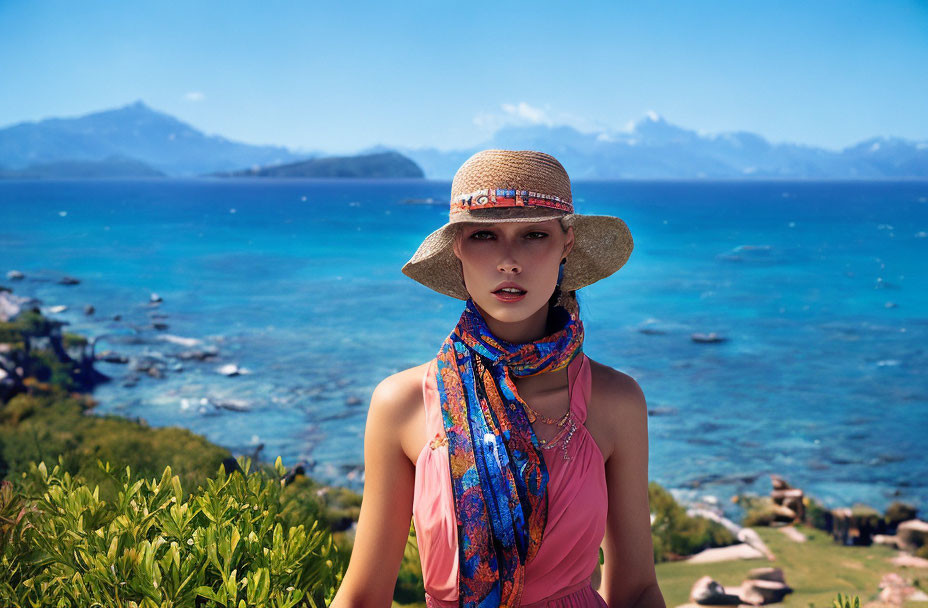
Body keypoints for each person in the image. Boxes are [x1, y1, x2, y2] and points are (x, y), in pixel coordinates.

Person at [330, 150, 666, 608]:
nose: (509, 261)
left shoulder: (616, 401)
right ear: (458, 248)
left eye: (533, 234)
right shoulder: (403, 404)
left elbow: (637, 590)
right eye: (485, 235)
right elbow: (363, 597)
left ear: (566, 243)